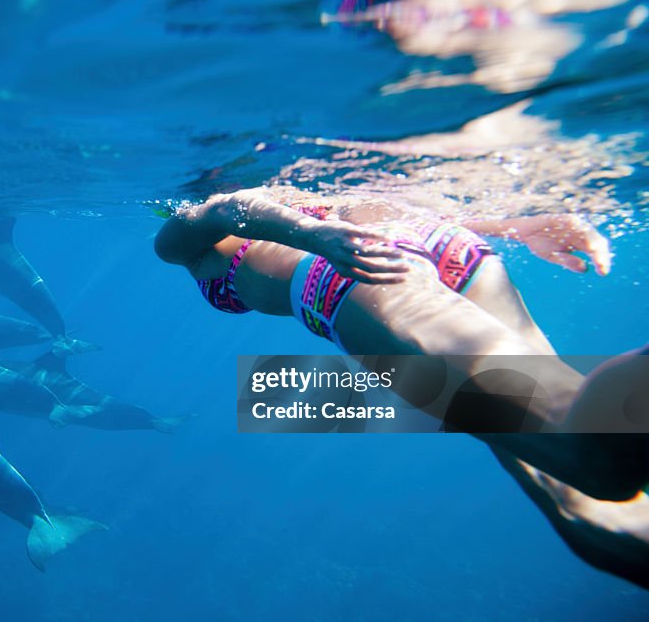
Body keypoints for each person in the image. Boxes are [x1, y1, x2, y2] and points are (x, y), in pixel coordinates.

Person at [154, 185, 647, 502]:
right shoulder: (311, 186)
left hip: (351, 272)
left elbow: (223, 207)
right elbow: (398, 207)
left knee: (592, 460)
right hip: (435, 242)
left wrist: (316, 236)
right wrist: (517, 228)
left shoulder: (180, 240)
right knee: (570, 493)